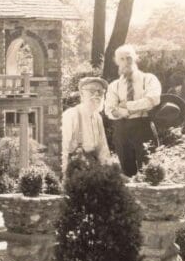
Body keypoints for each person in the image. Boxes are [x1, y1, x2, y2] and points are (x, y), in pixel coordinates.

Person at [105, 44, 162, 177]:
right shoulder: (114, 86)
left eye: (129, 58)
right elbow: (109, 110)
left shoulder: (149, 79)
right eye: (122, 59)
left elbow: (152, 100)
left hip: (144, 127)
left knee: (150, 169)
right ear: (117, 62)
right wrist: (127, 111)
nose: (126, 62)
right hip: (122, 130)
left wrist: (127, 106)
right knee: (127, 172)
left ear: (135, 58)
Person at [61, 76, 116, 177]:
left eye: (100, 92)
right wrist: (64, 176)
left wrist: (110, 173)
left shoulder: (97, 117)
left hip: (93, 171)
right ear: (82, 93)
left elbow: (103, 149)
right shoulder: (71, 115)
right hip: (74, 170)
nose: (97, 94)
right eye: (92, 91)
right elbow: (63, 148)